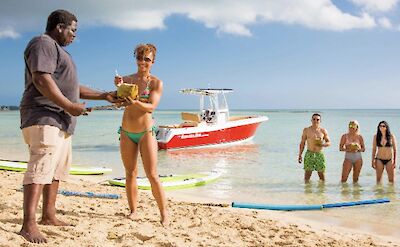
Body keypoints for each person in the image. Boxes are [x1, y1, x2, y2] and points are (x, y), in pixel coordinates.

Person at [19, 10, 120, 244]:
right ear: (59, 27)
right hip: (44, 115)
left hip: (61, 119)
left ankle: (48, 215)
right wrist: (68, 105)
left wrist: (106, 95)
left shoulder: (59, 52)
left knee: (54, 171)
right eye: (73, 30)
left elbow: (74, 88)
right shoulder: (42, 43)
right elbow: (41, 79)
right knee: (40, 165)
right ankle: (28, 224)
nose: (74, 35)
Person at [114, 44, 168, 225]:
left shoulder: (156, 83)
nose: (142, 62)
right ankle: (133, 211)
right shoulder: (126, 79)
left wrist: (134, 101)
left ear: (153, 61)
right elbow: (120, 103)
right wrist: (118, 92)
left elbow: (151, 106)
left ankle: (164, 214)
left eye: (147, 59)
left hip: (146, 132)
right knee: (130, 173)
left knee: (152, 174)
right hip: (127, 131)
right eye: (139, 57)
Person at [298, 113, 331, 182]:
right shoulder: (306, 130)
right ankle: (307, 191)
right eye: (314, 119)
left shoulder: (323, 131)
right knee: (307, 175)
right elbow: (302, 143)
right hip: (309, 153)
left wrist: (322, 145)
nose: (315, 121)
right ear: (311, 120)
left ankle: (322, 192)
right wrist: (300, 155)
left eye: (317, 119)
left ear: (320, 121)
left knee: (321, 175)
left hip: (319, 154)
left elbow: (329, 142)